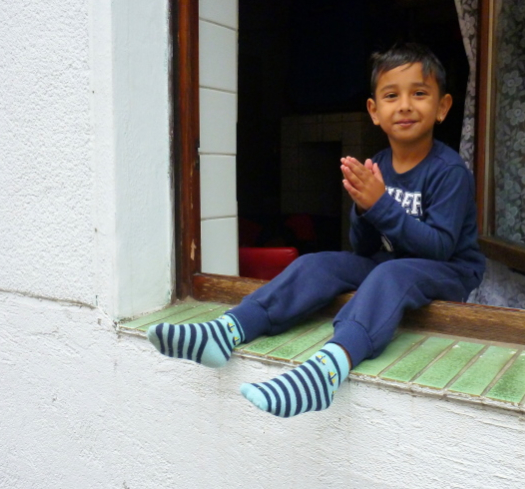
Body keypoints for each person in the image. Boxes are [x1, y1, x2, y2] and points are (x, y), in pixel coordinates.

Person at [147, 43, 485, 418]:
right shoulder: (378, 165)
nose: (405, 105)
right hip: (392, 261)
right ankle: (228, 330)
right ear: (374, 111)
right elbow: (363, 247)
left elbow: (439, 248)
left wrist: (380, 205)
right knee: (317, 263)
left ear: (442, 107)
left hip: (448, 270)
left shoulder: (449, 171)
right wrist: (364, 209)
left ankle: (328, 369)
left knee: (391, 274)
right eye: (391, 95)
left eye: (419, 93)